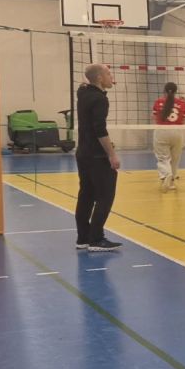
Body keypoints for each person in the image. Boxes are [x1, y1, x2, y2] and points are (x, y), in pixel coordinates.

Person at [74, 63, 121, 251]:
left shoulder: (83, 93)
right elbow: (100, 130)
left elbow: (84, 83)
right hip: (96, 156)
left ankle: (83, 238)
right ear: (100, 78)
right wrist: (112, 154)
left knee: (86, 195)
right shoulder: (99, 99)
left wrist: (89, 79)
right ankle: (96, 239)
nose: (112, 76)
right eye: (108, 73)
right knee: (105, 196)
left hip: (83, 154)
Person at [151, 81, 185, 192]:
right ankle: (171, 182)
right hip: (177, 132)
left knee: (163, 158)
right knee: (175, 159)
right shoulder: (182, 103)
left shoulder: (158, 102)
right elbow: (184, 120)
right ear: (176, 92)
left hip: (161, 131)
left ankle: (166, 174)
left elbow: (154, 118)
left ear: (164, 91)